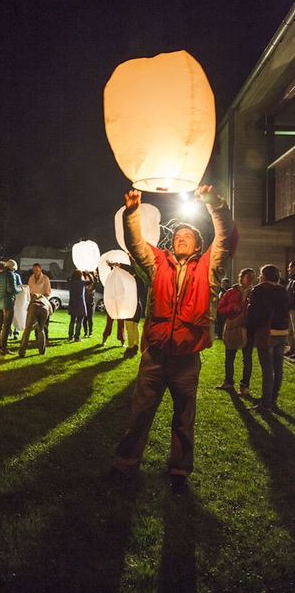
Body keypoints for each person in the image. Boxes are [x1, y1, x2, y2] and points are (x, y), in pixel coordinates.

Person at [110, 185, 237, 495]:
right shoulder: (157, 265)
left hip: (186, 358)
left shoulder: (209, 268)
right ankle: (126, 462)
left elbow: (226, 238)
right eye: (177, 235)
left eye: (188, 236)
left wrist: (214, 204)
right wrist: (132, 213)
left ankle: (179, 469)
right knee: (140, 413)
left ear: (198, 246)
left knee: (183, 418)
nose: (181, 237)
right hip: (155, 355)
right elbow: (136, 243)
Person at [247, 264, 289, 413]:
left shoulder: (259, 290)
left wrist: (252, 331)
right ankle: (272, 399)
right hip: (282, 332)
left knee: (267, 369)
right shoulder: (282, 290)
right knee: (278, 368)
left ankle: (265, 403)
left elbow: (253, 314)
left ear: (263, 275)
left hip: (267, 333)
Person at [215, 268, 256, 395]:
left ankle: (244, 386)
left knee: (247, 358)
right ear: (241, 277)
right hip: (233, 326)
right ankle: (228, 381)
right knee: (230, 356)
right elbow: (220, 308)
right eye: (248, 276)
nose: (250, 279)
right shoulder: (231, 292)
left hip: (248, 328)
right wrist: (231, 308)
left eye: (253, 277)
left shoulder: (255, 293)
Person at [106, 259, 146, 359]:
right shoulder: (140, 282)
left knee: (129, 327)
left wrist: (117, 265)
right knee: (135, 327)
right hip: (137, 306)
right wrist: (116, 265)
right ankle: (135, 346)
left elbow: (129, 270)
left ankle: (131, 347)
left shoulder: (132, 282)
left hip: (130, 306)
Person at [0, 259, 22, 355]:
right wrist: (20, 289)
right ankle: (3, 347)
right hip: (8, 303)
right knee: (6, 326)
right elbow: (11, 289)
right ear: (13, 267)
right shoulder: (10, 275)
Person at [18, 293, 54, 357]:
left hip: (34, 306)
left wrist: (29, 306)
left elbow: (34, 295)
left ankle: (22, 351)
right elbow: (49, 314)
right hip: (45, 310)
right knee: (41, 330)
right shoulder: (48, 304)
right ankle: (42, 350)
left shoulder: (40, 295)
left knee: (27, 330)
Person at [67, 270, 92, 342]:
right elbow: (92, 281)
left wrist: (75, 274)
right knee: (79, 321)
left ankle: (70, 336)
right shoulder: (82, 283)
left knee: (72, 320)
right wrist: (87, 274)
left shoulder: (71, 282)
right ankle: (77, 336)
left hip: (72, 303)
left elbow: (68, 279)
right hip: (80, 303)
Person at [83, 270, 98, 338]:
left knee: (90, 319)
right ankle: (85, 332)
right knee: (85, 319)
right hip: (84, 303)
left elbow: (95, 282)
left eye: (88, 278)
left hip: (91, 303)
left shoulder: (93, 287)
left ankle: (90, 332)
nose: (87, 279)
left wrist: (93, 275)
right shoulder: (84, 286)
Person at [285, 261, 295, 358]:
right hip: (290, 308)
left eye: (290, 268)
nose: (288, 270)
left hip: (293, 308)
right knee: (289, 331)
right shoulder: (291, 280)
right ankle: (292, 348)